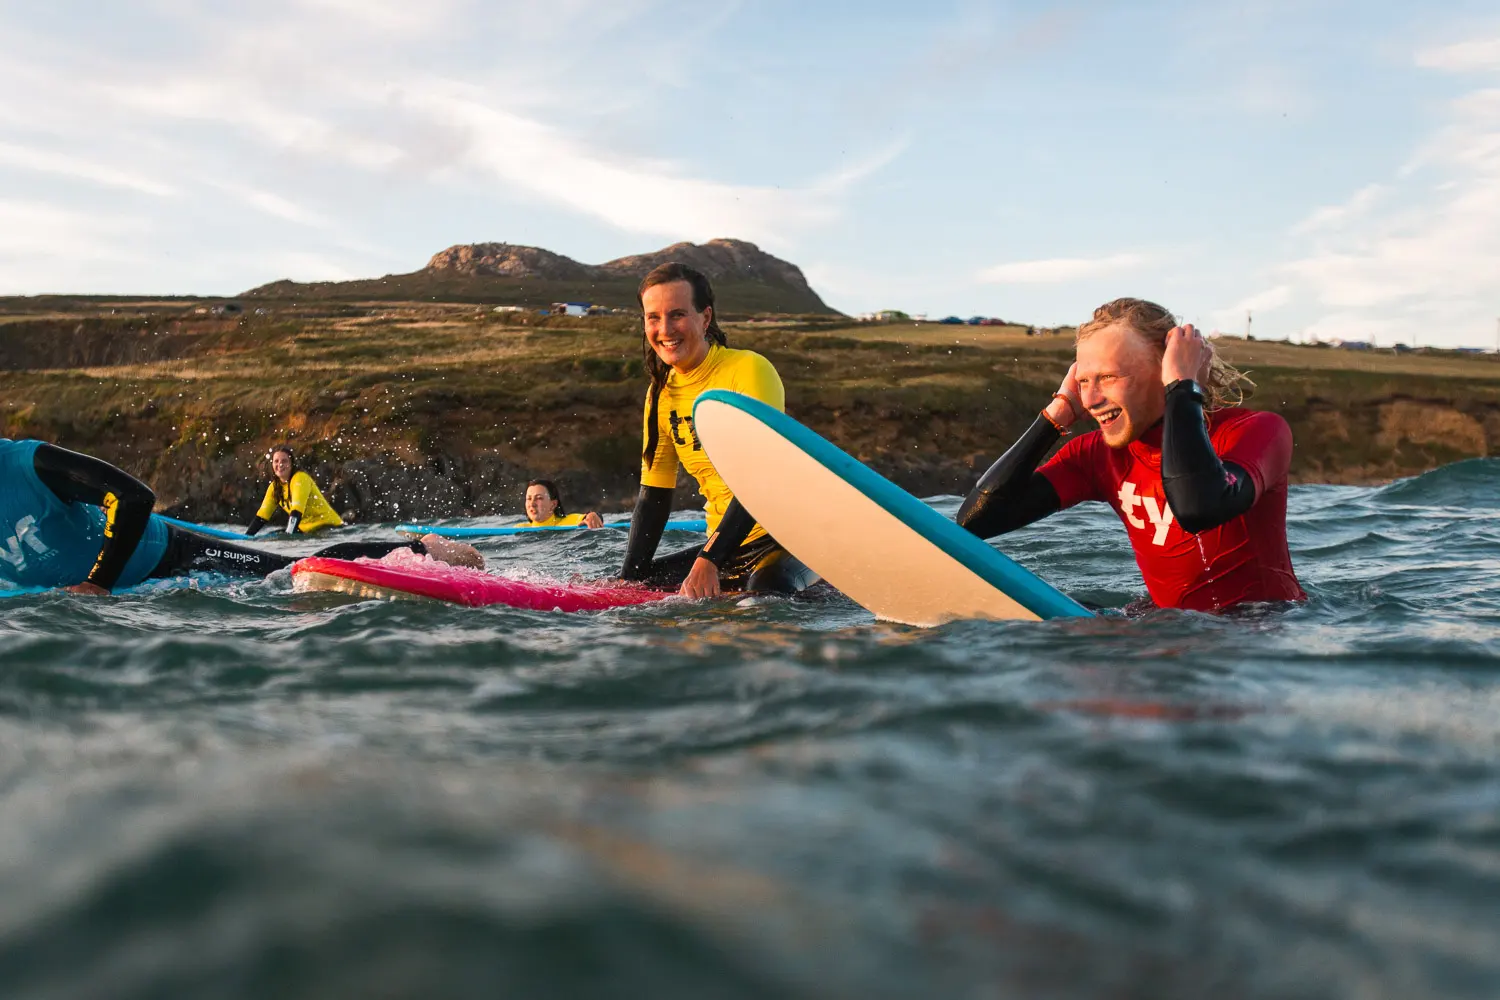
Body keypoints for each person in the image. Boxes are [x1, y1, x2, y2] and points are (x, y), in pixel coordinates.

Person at [957, 297, 1305, 613]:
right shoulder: (1097, 455)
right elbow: (978, 522)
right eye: (1084, 381)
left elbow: (1199, 507)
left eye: (1108, 377)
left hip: (1257, 637)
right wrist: (1056, 413)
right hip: (1162, 629)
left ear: (1165, 370)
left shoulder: (1256, 431)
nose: (1091, 400)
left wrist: (1183, 387)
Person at [0, 438, 482, 596]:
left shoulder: (27, 463)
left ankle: (426, 550)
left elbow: (133, 497)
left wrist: (97, 583)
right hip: (130, 596)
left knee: (294, 575)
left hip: (166, 557)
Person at [618, 263, 818, 598]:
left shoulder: (748, 371)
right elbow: (654, 496)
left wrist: (709, 559)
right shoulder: (661, 394)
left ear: (705, 318)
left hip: (791, 540)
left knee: (766, 594)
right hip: (729, 545)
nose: (665, 329)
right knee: (641, 583)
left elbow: (761, 480)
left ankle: (830, 591)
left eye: (677, 314)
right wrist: (626, 581)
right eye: (653, 317)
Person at [246, 444, 343, 535]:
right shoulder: (275, 487)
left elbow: (296, 512)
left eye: (284, 461)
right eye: (276, 461)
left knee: (282, 534)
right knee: (274, 534)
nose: (280, 465)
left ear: (292, 464)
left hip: (331, 529)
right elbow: (262, 517)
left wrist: (289, 536)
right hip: (309, 532)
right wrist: (246, 538)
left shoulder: (300, 478)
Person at [524, 479, 604, 529]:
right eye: (529, 498)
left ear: (553, 504)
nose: (532, 504)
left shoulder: (569, 522)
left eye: (539, 498)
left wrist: (593, 515)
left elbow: (587, 518)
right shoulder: (520, 528)